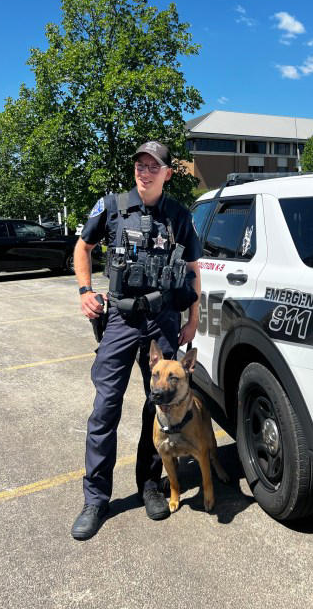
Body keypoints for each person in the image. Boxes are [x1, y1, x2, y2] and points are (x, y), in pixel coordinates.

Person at [71, 141, 201, 540]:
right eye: (140, 165)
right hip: (122, 319)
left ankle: (150, 483)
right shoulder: (111, 207)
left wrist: (194, 318)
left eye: (153, 166)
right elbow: (83, 247)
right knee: (105, 407)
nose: (144, 172)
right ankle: (96, 498)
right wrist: (84, 290)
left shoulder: (179, 215)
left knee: (156, 406)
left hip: (162, 318)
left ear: (167, 173)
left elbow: (193, 268)